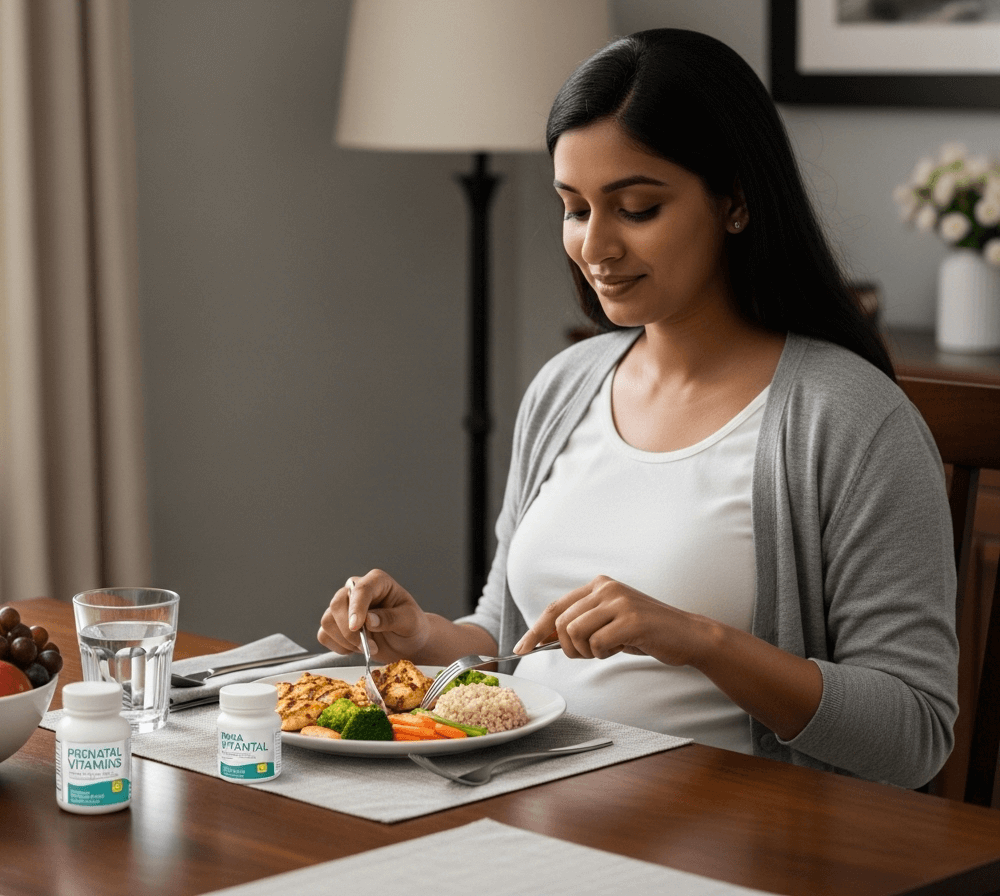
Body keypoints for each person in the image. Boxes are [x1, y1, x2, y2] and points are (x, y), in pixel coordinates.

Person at [317, 28, 957, 790]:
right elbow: (507, 644)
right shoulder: (564, 387)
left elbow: (915, 735)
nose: (595, 247)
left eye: (637, 207)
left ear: (737, 202)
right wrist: (419, 635)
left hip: (730, 842)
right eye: (574, 208)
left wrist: (697, 640)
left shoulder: (848, 419)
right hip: (526, 812)